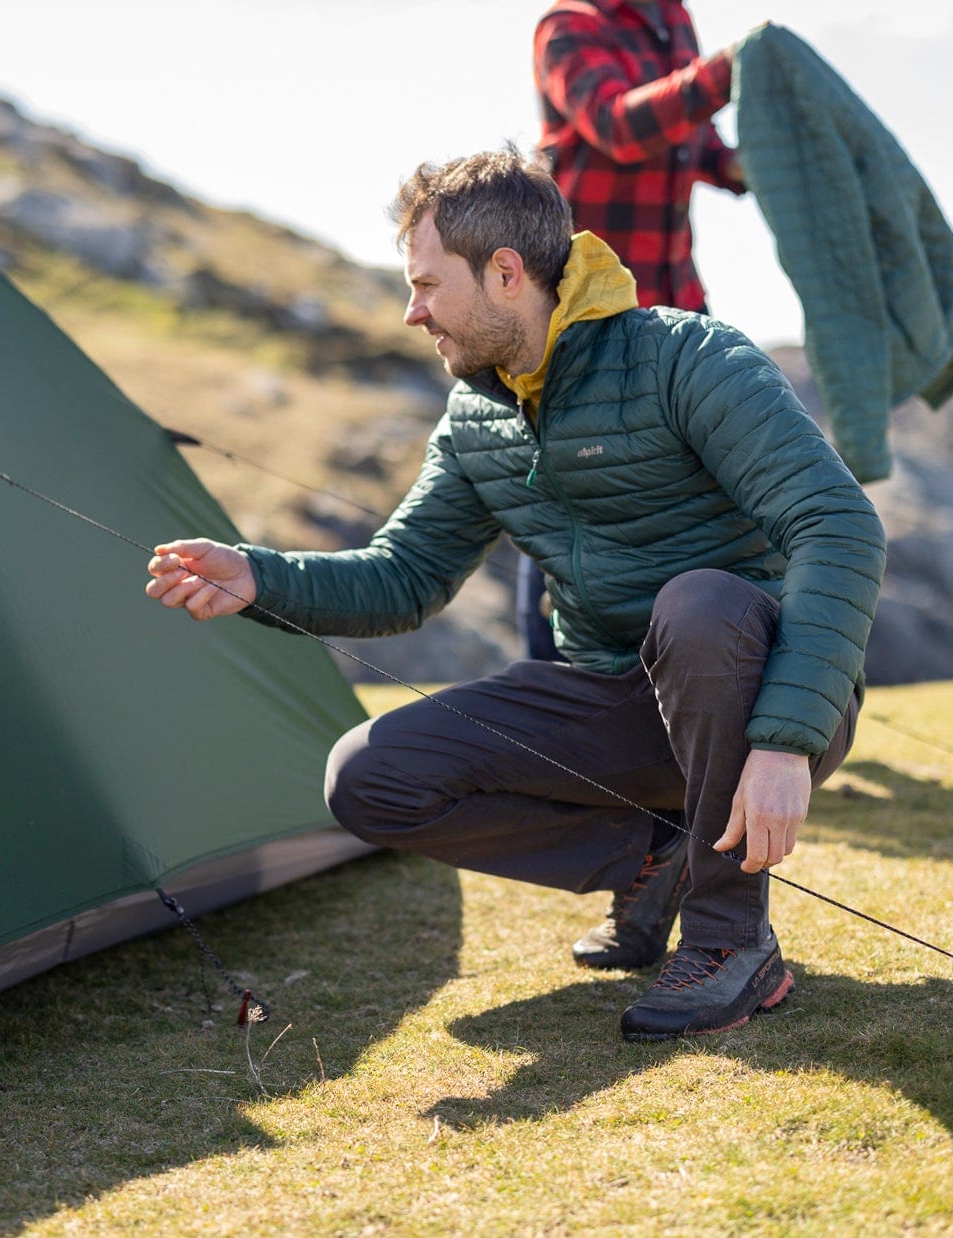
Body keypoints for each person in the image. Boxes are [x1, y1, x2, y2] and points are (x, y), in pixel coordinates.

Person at [144, 150, 884, 1041]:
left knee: (701, 605)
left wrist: (781, 745)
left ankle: (732, 942)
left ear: (505, 273)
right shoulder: (475, 419)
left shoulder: (689, 358)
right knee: (370, 779)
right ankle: (656, 860)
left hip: (758, 693)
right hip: (618, 706)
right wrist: (261, 576)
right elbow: (404, 576)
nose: (412, 312)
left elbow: (839, 528)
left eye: (426, 285)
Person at [517, 0, 750, 663]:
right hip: (584, 318)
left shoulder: (672, 19)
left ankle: (666, 686)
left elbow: (689, 137)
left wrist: (741, 167)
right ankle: (551, 685)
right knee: (573, 500)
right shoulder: (568, 26)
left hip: (676, 306)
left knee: (683, 496)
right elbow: (620, 125)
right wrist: (722, 75)